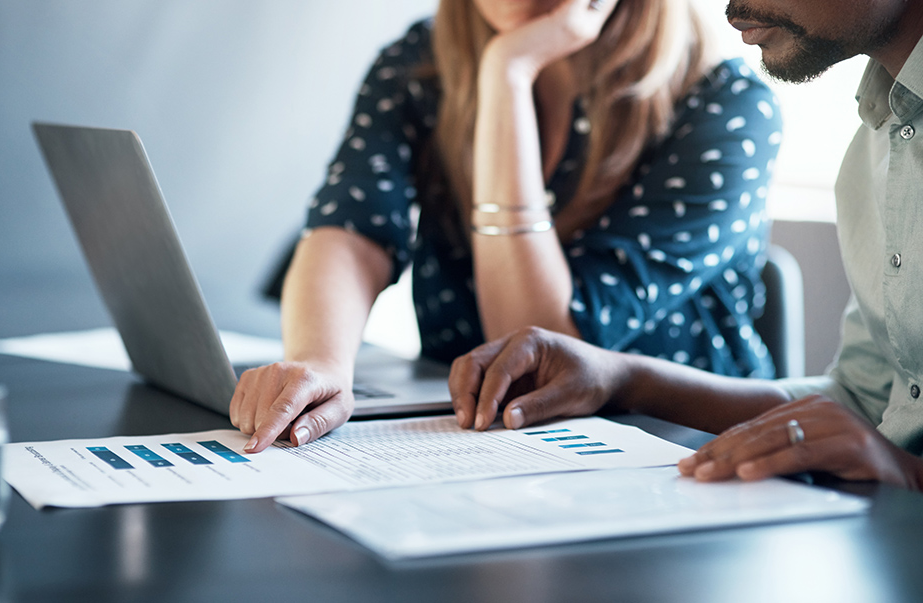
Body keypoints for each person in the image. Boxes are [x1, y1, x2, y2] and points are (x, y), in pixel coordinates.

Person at [231, 0, 782, 452]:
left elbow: (543, 355)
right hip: (486, 443)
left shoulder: (725, 103)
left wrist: (508, 74)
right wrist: (319, 362)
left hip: (676, 451)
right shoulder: (420, 63)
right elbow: (352, 227)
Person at [448, 0, 923, 489]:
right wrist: (618, 377)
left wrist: (908, 472)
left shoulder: (725, 102)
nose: (730, 8)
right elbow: (863, 404)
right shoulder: (879, 143)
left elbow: (889, 446)